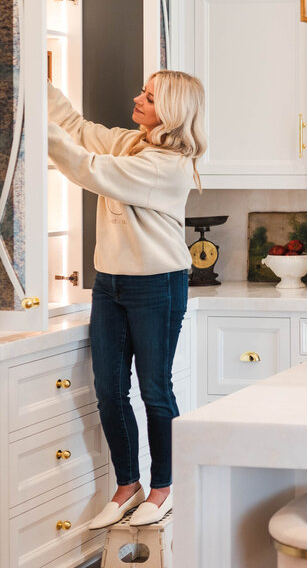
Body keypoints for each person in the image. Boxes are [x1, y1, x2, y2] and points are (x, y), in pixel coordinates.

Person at [46, 71, 206, 529]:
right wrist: (35, 82)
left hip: (157, 283)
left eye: (150, 96)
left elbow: (87, 167)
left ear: (171, 112)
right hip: (110, 283)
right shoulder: (130, 144)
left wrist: (38, 132)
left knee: (155, 390)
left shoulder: (168, 165)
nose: (137, 98)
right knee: (109, 391)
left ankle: (164, 488)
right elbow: (77, 129)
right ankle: (128, 485)